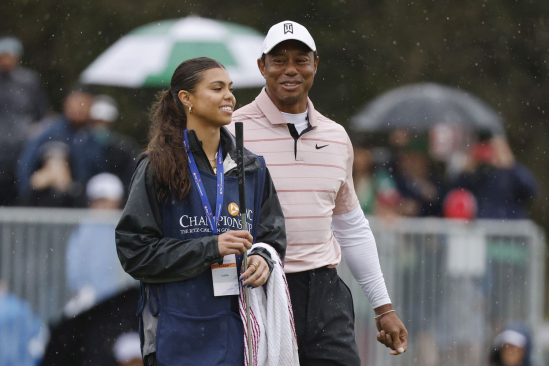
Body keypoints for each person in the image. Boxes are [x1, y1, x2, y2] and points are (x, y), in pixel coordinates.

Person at [229, 20, 408, 365]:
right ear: (261, 66)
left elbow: (351, 227)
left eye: (301, 59)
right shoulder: (232, 130)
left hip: (325, 291)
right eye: (279, 60)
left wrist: (383, 306)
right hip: (257, 287)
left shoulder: (337, 136)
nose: (290, 70)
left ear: (316, 64)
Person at [115, 57, 288, 366]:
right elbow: (135, 252)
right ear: (187, 99)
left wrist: (264, 259)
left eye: (231, 89)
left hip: (239, 332)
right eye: (217, 88)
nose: (229, 97)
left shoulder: (252, 167)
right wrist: (210, 247)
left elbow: (272, 236)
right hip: (176, 331)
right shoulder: (156, 165)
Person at [17, 89, 103, 207]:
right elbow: (27, 165)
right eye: (76, 103)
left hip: (82, 201)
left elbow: (96, 169)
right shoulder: (50, 131)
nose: (80, 108)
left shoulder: (91, 138)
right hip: (46, 201)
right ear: (66, 105)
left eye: (85, 104)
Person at [0, 36, 50, 206]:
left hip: (24, 148)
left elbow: (41, 113)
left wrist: (35, 132)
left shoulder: (29, 81)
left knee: (21, 192)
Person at [451, 134, 537, 219]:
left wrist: (509, 165)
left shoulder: (510, 175)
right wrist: (467, 170)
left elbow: (530, 190)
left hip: (510, 229)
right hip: (482, 229)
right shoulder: (475, 176)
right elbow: (453, 197)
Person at [89, 95, 140, 195]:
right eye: (97, 122)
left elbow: (132, 177)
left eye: (105, 123)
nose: (100, 127)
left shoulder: (125, 148)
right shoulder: (82, 146)